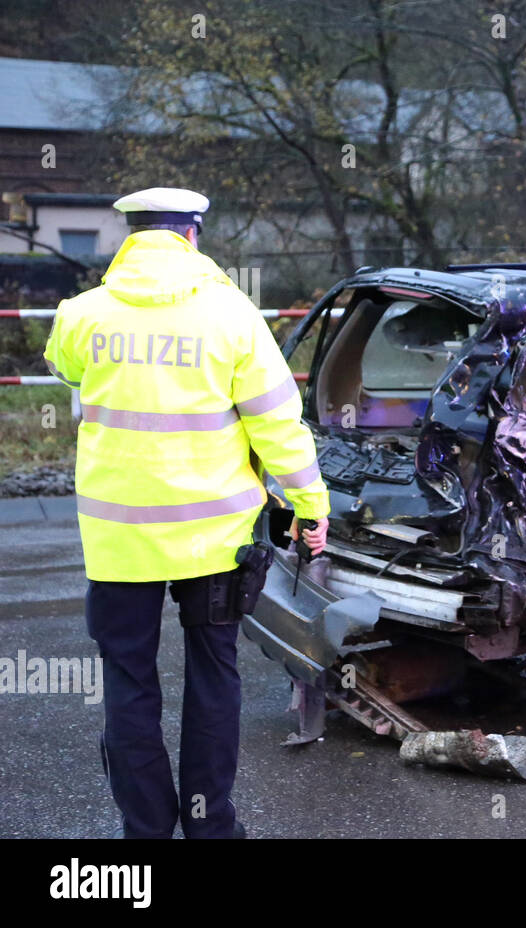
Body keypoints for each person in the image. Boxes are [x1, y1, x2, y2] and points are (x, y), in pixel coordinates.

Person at [43, 187, 330, 838]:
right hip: (216, 541)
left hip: (119, 541)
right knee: (213, 675)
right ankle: (211, 827)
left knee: (128, 680)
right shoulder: (234, 317)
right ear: (193, 237)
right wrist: (311, 506)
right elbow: (279, 427)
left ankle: (145, 835)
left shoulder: (82, 315)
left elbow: (65, 366)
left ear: (128, 239)